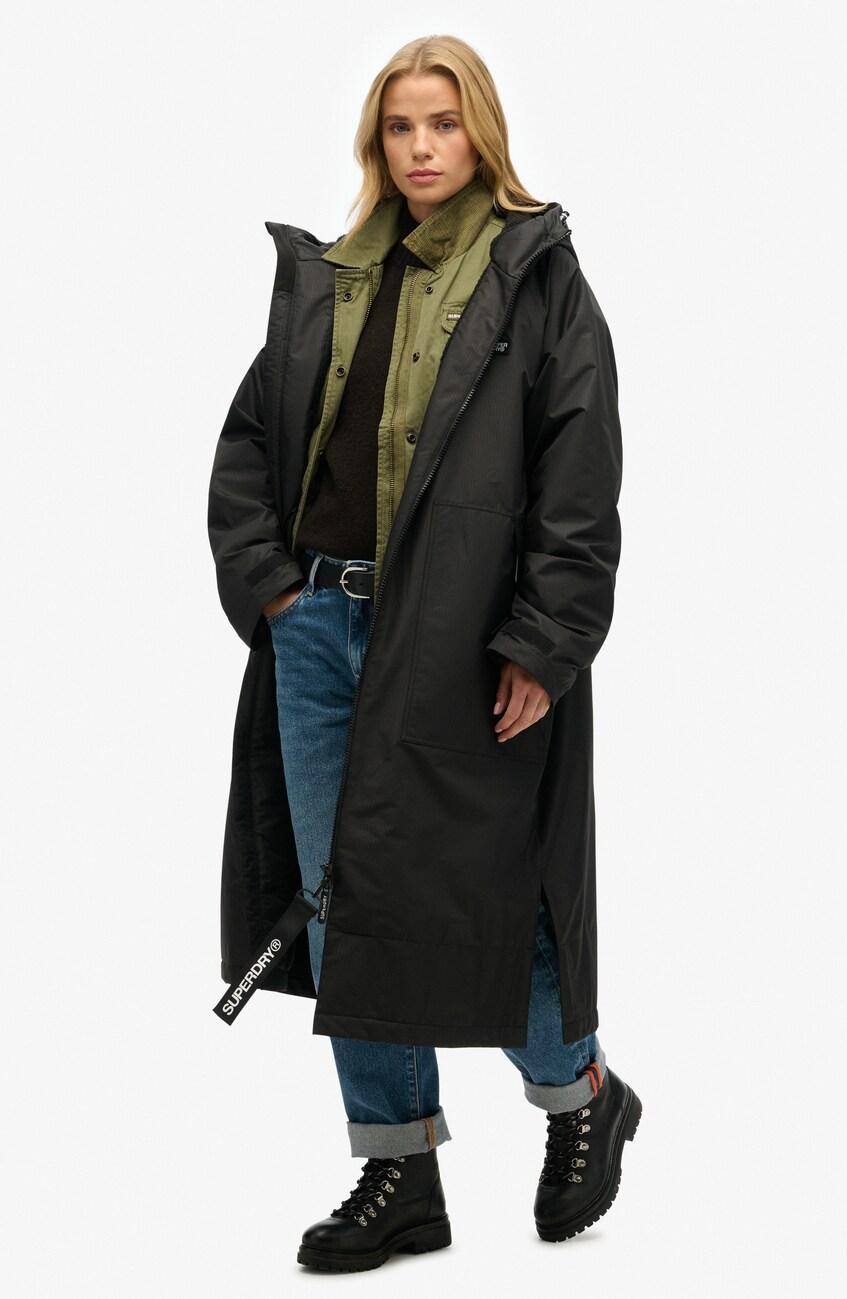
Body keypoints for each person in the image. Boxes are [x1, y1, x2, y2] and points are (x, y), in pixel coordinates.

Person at [207, 34, 641, 1273]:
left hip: (457, 642)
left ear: (480, 131)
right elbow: (250, 445)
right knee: (344, 907)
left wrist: (544, 645)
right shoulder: (334, 277)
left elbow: (579, 477)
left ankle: (581, 1092)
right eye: (400, 127)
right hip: (317, 631)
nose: (421, 148)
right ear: (376, 142)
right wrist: (274, 588)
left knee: (478, 899)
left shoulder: (535, 277)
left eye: (442, 124)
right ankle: (399, 1169)